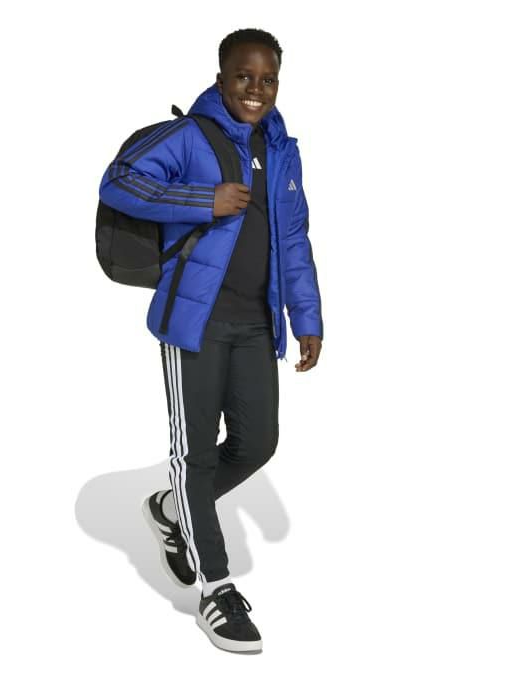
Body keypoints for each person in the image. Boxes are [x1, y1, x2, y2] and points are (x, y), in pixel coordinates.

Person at [99, 27, 323, 654]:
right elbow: (118, 181)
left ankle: (172, 509)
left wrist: (306, 315)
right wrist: (204, 199)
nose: (256, 89)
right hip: (194, 321)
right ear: (221, 78)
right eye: (244, 77)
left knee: (258, 442)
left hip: (256, 322)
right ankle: (214, 588)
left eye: (268, 79)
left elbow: (294, 238)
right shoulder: (190, 135)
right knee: (195, 455)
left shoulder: (282, 149)